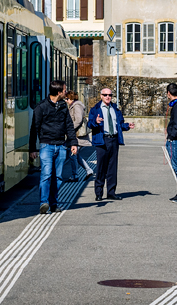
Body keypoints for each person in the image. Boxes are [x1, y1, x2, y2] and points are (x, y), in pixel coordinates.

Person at [29, 79, 78, 214]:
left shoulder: (63, 106)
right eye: (64, 90)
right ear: (58, 92)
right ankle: (43, 202)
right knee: (46, 174)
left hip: (61, 146)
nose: (66, 92)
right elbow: (34, 128)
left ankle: (54, 203)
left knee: (58, 177)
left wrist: (73, 143)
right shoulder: (41, 107)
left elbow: (69, 125)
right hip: (46, 146)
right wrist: (32, 148)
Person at [88, 87, 130, 201]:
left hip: (114, 140)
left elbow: (120, 124)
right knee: (101, 167)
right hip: (102, 140)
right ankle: (99, 193)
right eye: (105, 95)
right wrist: (95, 122)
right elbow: (89, 124)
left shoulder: (115, 109)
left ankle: (111, 192)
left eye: (110, 95)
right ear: (101, 96)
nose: (108, 97)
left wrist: (127, 126)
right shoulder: (95, 109)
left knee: (112, 167)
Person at [63, 93, 95, 182]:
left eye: (67, 99)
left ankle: (75, 175)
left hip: (78, 135)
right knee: (76, 155)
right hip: (76, 135)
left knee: (73, 155)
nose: (66, 101)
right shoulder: (74, 106)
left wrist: (69, 129)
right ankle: (88, 170)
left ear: (71, 98)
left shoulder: (76, 106)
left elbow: (78, 120)